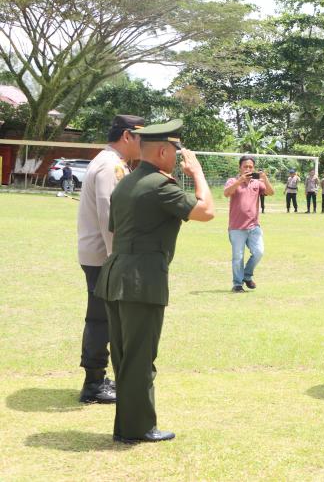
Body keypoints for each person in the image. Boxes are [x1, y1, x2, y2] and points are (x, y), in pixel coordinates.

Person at [94, 119, 215, 444]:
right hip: (141, 281)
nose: (177, 158)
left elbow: (116, 230)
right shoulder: (159, 185)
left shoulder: (126, 183)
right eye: (175, 152)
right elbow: (206, 211)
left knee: (124, 355)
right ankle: (137, 428)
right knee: (140, 356)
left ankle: (127, 426)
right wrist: (198, 174)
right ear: (162, 151)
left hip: (115, 275)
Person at [76, 114, 143, 404]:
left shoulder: (112, 163)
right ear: (127, 136)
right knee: (101, 318)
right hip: (105, 255)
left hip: (101, 254)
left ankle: (97, 378)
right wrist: (119, 258)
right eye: (141, 137)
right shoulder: (110, 165)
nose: (144, 144)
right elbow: (109, 215)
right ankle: (93, 383)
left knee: (102, 316)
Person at [224, 156, 274, 292]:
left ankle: (247, 275)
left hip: (254, 226)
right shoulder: (233, 181)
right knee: (238, 257)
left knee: (259, 252)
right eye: (245, 166)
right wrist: (240, 181)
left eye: (250, 167)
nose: (248, 169)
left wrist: (265, 178)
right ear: (240, 168)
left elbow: (270, 192)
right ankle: (237, 284)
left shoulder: (257, 183)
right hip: (236, 227)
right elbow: (226, 193)